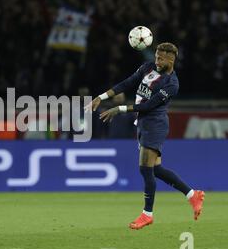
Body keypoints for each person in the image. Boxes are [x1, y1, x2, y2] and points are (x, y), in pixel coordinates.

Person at [85, 42, 205, 230]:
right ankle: (192, 195)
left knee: (144, 169)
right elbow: (127, 83)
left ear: (171, 60)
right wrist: (102, 97)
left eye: (161, 58)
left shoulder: (172, 84)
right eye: (156, 56)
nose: (156, 60)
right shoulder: (148, 67)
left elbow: (149, 105)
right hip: (143, 123)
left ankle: (147, 214)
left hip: (155, 125)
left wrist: (119, 109)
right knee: (155, 170)